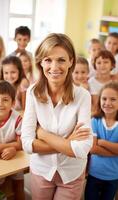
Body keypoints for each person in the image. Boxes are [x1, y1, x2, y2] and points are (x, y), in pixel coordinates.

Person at [21, 33, 93, 200]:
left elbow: (82, 149)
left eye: (61, 60)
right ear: (40, 62)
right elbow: (26, 144)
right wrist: (67, 142)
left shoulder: (83, 96)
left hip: (71, 174)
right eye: (48, 60)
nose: (54, 67)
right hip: (42, 171)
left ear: (71, 61)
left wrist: (43, 134)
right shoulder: (32, 92)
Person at [0, 80, 25, 200]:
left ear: (13, 102)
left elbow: (21, 144)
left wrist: (9, 148)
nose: (0, 104)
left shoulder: (17, 119)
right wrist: (8, 147)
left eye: (5, 100)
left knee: (19, 185)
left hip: (15, 155)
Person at [85, 81, 118, 200]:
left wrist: (101, 142)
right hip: (94, 174)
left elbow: (96, 145)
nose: (107, 103)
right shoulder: (94, 121)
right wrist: (114, 149)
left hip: (114, 176)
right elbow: (93, 149)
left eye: (113, 99)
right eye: (104, 99)